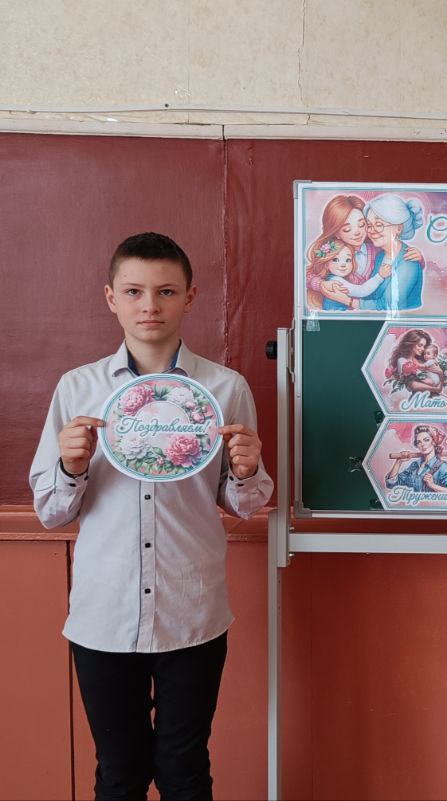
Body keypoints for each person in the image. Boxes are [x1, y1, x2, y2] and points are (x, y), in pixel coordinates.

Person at [29, 232, 274, 800]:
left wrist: (245, 471)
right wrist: (70, 466)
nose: (149, 306)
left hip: (191, 612)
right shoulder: (78, 389)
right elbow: (51, 513)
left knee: (185, 770)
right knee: (119, 773)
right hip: (104, 615)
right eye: (134, 291)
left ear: (190, 297)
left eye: (166, 291)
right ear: (111, 297)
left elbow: (243, 504)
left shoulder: (224, 389)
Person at [351, 193, 427, 313]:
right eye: (369, 225)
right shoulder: (380, 256)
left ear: (398, 228)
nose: (371, 231)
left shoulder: (409, 260)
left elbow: (387, 304)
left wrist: (348, 301)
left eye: (379, 225)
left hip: (406, 320)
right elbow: (373, 293)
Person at [308, 241, 387, 311]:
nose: (343, 265)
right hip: (337, 314)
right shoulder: (336, 281)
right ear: (326, 264)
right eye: (335, 260)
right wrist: (379, 277)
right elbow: (361, 291)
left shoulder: (336, 278)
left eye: (348, 260)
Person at [385, 424, 447, 494]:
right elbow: (391, 484)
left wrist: (433, 485)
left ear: (434, 442)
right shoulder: (414, 466)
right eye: (419, 442)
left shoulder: (443, 467)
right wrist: (399, 461)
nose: (422, 444)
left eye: (426, 440)